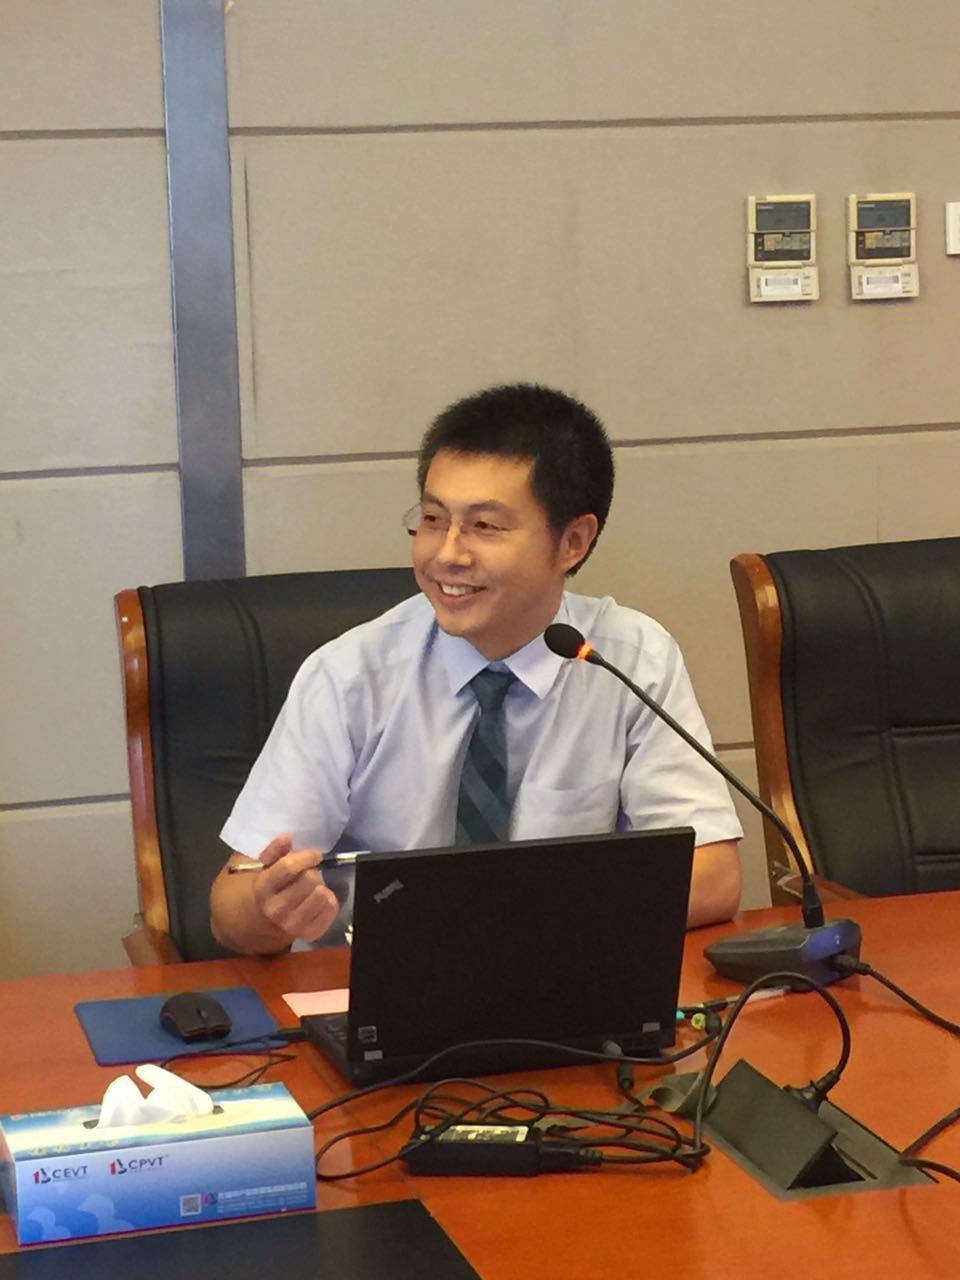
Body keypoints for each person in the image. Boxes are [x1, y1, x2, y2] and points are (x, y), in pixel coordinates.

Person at [210, 383, 742, 954]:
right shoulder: (350, 676)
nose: (447, 554)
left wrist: (513, 919)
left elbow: (714, 875)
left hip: (561, 976)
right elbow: (230, 908)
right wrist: (269, 907)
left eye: (485, 526)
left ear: (573, 541)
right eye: (433, 519)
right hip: (375, 983)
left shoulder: (629, 660)